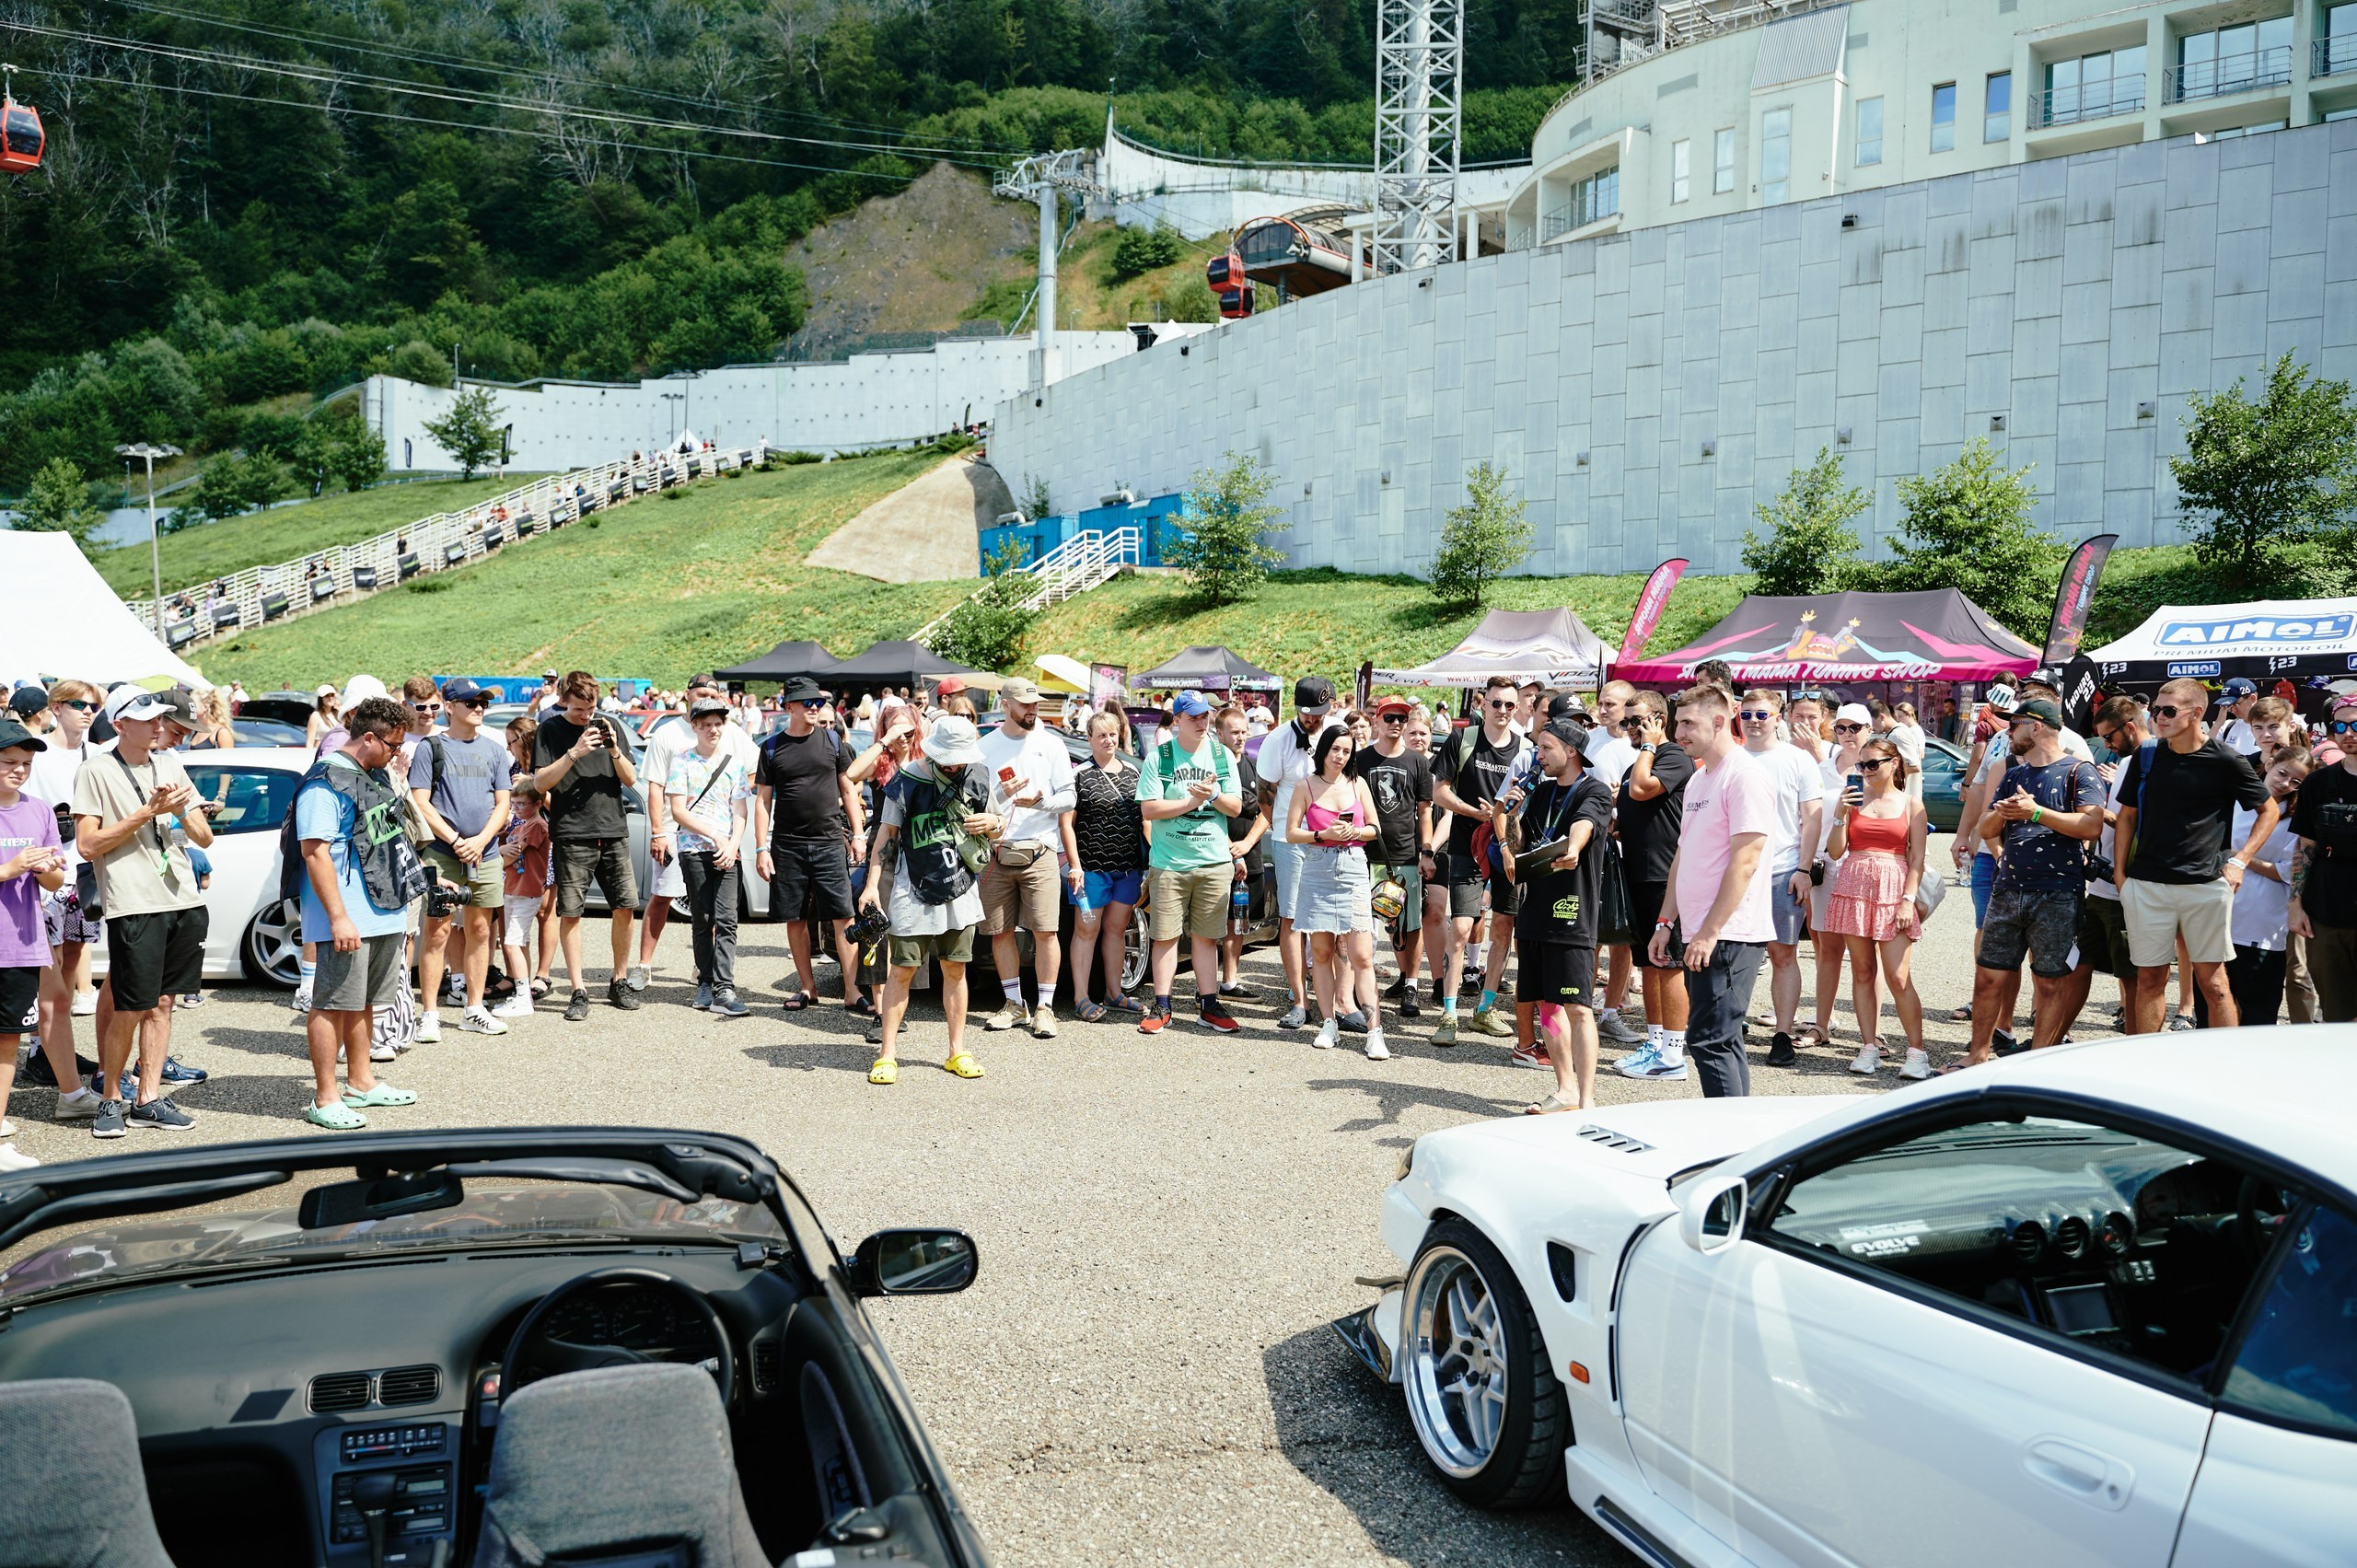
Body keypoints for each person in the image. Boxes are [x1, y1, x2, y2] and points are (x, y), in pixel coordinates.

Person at [72, 686, 215, 1136]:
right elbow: (87, 843)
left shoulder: (170, 764)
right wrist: (146, 811)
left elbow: (204, 837)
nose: (159, 725)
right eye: (148, 719)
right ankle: (111, 1098)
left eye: (160, 719)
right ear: (119, 725)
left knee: (165, 1003)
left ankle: (149, 1097)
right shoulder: (96, 770)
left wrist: (182, 813)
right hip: (133, 901)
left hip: (183, 898)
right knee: (132, 1006)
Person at [2114, 677, 2276, 1033]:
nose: (2158, 717)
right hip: (2148, 884)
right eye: (2156, 710)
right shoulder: (2147, 754)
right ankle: (2149, 1066)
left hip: (2205, 886)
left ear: (2197, 713)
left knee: (2215, 985)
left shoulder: (2225, 759)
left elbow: (2270, 811)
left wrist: (2239, 861)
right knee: (2150, 981)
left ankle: (2224, 1070)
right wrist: (2120, 875)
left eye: (2169, 711)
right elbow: (2127, 815)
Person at [1955, 698, 2111, 1064]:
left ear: (2037, 727)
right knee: (1988, 976)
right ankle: (1977, 1057)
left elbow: (2091, 824)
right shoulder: (2013, 774)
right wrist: (2003, 813)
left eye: (2015, 725)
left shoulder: (2080, 771)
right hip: (2008, 888)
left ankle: (2037, 1063)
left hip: (2058, 894)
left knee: (2050, 983)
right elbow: (1987, 827)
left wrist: (2037, 812)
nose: (2008, 732)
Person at [294, 695, 424, 1129]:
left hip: (382, 908)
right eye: (392, 744)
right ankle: (325, 1097)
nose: (397, 752)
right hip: (346, 915)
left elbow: (389, 836)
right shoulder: (324, 780)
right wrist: (337, 917)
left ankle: (362, 1082)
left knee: (365, 1001)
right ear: (368, 737)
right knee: (331, 1003)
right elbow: (315, 853)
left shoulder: (377, 774)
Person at [861, 715, 1004, 1084]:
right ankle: (887, 1054)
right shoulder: (907, 780)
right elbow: (886, 836)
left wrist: (992, 823)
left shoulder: (978, 775)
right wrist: (872, 885)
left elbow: (1000, 826)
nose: (955, 764)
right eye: (949, 757)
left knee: (956, 969)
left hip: (961, 888)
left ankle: (957, 1051)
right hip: (914, 889)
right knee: (902, 970)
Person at [1647, 684, 1773, 1098]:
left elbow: (1747, 859)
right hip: (1701, 929)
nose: (1678, 732)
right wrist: (1667, 921)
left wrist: (1709, 931)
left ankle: (1730, 1144)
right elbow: (1683, 856)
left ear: (1719, 722)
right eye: (1676, 722)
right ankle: (1737, 1134)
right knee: (1720, 1039)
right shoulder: (1701, 777)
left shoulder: (1746, 775)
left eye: (1687, 723)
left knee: (1710, 1040)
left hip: (1729, 933)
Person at [1512, 718, 1614, 1115]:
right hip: (1534, 909)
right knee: (1546, 1004)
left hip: (1571, 911)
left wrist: (1573, 847)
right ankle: (1565, 1087)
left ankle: (1587, 1099)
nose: (1539, 755)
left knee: (1578, 1007)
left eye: (1546, 747)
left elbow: (1585, 824)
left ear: (1570, 751)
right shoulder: (1541, 792)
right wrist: (1511, 817)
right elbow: (1521, 846)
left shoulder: (1594, 790)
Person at [529, 670, 641, 1020]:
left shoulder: (610, 725)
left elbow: (631, 779)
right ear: (564, 700)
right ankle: (578, 990)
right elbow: (540, 782)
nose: (586, 716)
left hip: (613, 828)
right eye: (579, 709)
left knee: (625, 906)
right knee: (571, 912)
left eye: (591, 708)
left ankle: (619, 979)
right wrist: (574, 753)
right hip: (572, 832)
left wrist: (613, 750)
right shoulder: (549, 729)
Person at [1820, 737, 1933, 1078]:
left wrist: (1908, 900)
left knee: (1898, 977)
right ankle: (1868, 1046)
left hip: (1893, 889)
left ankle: (1917, 1052)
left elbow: (1917, 859)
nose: (1866, 771)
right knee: (1863, 972)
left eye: (1873, 764)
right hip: (1853, 885)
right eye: (1862, 765)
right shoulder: (1852, 800)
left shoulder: (1912, 804)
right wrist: (1840, 813)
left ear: (1893, 763)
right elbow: (1836, 851)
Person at [408, 678, 512, 1040]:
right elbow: (421, 802)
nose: (479, 707)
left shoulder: (496, 749)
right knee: (437, 933)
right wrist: (456, 840)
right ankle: (430, 1014)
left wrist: (481, 841)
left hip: (486, 854)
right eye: (470, 702)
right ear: (449, 707)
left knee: (481, 931)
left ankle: (474, 1008)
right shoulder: (430, 748)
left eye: (482, 701)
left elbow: (503, 803)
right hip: (442, 853)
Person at [754, 676, 865, 1014]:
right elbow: (763, 801)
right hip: (787, 845)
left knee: (843, 916)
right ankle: (806, 988)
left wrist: (858, 835)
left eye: (819, 703)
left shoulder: (834, 742)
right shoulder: (771, 747)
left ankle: (852, 991)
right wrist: (761, 849)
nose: (816, 708)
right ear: (789, 707)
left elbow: (848, 791)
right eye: (809, 703)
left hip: (830, 841)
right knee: (796, 917)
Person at [633, 675, 749, 993]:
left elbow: (751, 772)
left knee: (719, 913)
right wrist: (658, 831)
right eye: (701, 693)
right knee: (664, 897)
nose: (705, 698)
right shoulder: (668, 734)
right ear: (687, 696)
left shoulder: (732, 734)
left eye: (713, 693)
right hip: (677, 832)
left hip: (722, 838)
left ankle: (707, 972)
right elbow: (655, 786)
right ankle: (644, 966)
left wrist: (728, 823)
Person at [1137, 691, 1245, 1036]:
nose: (1202, 722)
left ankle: (1208, 1004)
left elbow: (1236, 807)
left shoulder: (1222, 754)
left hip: (1213, 861)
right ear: (1178, 720)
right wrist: (1188, 802)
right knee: (1165, 936)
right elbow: (1149, 810)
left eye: (1206, 716)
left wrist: (1211, 795)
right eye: (1194, 717)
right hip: (1169, 862)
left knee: (1206, 937)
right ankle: (1162, 1004)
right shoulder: (1160, 757)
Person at [976, 677, 1077, 1039]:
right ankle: (1014, 1005)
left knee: (1046, 931)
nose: (1033, 709)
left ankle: (1045, 1008)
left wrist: (1041, 802)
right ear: (1005, 705)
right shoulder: (985, 747)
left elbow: (1069, 797)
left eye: (1035, 703)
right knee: (999, 933)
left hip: (1041, 851)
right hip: (997, 851)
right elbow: (974, 804)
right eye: (1024, 704)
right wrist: (1002, 795)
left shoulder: (1051, 745)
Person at [1431, 676, 1530, 1045]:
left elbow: (1530, 800)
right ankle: (1450, 1013)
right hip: (1465, 843)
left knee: (1503, 928)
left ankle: (1485, 1009)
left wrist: (1506, 815)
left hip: (1508, 848)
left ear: (1517, 707)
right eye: (1495, 703)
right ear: (1482, 704)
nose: (1502, 710)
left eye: (1509, 704)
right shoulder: (1463, 739)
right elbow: (1438, 792)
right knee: (1460, 929)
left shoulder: (1526, 748)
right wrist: (1473, 812)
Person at [1737, 690, 1825, 1069]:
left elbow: (1813, 818)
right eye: (1747, 714)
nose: (1754, 721)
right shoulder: (1729, 758)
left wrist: (1804, 869)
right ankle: (1731, 1023)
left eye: (1762, 714)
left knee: (1783, 954)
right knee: (1734, 954)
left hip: (1782, 871)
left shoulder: (1797, 760)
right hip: (1737, 872)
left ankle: (1782, 1034)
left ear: (1779, 717)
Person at [1287, 726, 1385, 1059]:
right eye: (1335, 750)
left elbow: (1375, 828)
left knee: (1362, 956)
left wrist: (1355, 831)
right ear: (1323, 751)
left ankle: (1375, 1032)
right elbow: (1290, 832)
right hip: (1317, 869)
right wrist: (1321, 834)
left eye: (1346, 751)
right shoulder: (1306, 786)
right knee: (1323, 952)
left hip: (1354, 867)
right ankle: (1329, 1022)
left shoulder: (1357, 784)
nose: (1341, 757)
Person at [27, 679, 101, 1113]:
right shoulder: (38, 751)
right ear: (56, 707)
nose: (88, 711)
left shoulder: (97, 753)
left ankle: (56, 1048)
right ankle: (40, 1049)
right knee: (50, 968)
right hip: (47, 869)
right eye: (79, 704)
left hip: (84, 871)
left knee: (73, 959)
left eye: (93, 705)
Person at [1612, 691, 1695, 1079]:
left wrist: (1649, 744)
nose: (1629, 728)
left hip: (1666, 877)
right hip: (1638, 875)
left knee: (1669, 963)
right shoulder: (1638, 762)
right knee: (1648, 964)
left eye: (1637, 721)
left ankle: (1674, 1054)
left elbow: (1643, 790)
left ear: (1659, 720)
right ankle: (1655, 1042)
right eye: (1626, 722)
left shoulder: (1672, 756)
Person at [2200, 746, 2311, 1028]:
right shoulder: (2235, 801)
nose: (2285, 783)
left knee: (2258, 1012)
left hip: (2262, 925)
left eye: (2296, 782)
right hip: (2217, 914)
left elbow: (2287, 871)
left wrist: (2240, 857)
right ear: (2270, 764)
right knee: (2211, 1003)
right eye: (2283, 773)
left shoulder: (2294, 818)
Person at [0, 717, 66, 1170]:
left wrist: (43, 868)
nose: (20, 770)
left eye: (26, 763)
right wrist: (10, 866)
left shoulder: (39, 811)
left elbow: (58, 879)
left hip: (21, 944)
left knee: (7, 1043)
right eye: (9, 762)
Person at [1255, 678, 1340, 1029]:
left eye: (1318, 713)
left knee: (1329, 917)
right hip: (1291, 840)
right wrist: (1280, 824)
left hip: (1329, 838)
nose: (1312, 719)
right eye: (1306, 713)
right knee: (1290, 917)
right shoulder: (1278, 740)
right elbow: (1264, 791)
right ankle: (1298, 1000)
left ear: (1330, 707)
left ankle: (1334, 1001)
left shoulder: (1336, 733)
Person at [2066, 695, 2152, 1038]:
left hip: (2126, 886)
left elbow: (2148, 824)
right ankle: (2050, 1040)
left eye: (2110, 737)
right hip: (2102, 885)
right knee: (2077, 966)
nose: (2106, 745)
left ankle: (2135, 1048)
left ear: (2129, 727)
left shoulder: (2150, 761)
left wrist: (2101, 817)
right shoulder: (2128, 764)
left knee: (2131, 976)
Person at [668, 697, 754, 1017]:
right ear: (695, 727)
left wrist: (732, 843)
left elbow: (740, 810)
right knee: (703, 919)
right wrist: (714, 835)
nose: (713, 730)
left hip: (727, 851)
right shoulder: (682, 761)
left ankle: (724, 987)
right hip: (694, 849)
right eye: (706, 725)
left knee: (728, 920)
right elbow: (678, 810)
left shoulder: (733, 763)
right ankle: (705, 981)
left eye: (718, 724)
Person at [1800, 703, 1877, 1053]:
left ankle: (1872, 1035)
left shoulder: (1881, 766)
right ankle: (1821, 1024)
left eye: (1855, 728)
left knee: (1867, 955)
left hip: (1866, 867)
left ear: (1869, 728)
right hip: (1827, 864)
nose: (1847, 735)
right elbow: (1809, 820)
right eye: (1842, 728)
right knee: (1827, 950)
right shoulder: (1820, 768)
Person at [1353, 696, 1434, 1019]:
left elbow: (1424, 812)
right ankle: (1360, 987)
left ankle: (1411, 983)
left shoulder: (1418, 762)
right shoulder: (1360, 759)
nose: (1396, 724)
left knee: (1407, 924)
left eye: (1401, 718)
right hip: (1362, 853)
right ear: (1376, 720)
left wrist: (1426, 851)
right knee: (1360, 924)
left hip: (1403, 853)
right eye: (1389, 718)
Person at [1069, 710, 1147, 1021]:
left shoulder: (1132, 772)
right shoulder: (1079, 775)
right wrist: (1075, 864)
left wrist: (1151, 862)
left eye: (1113, 734)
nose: (1108, 740)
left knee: (1117, 930)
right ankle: (1080, 997)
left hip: (1127, 868)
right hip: (1091, 868)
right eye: (1101, 735)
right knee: (1086, 930)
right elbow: (1067, 823)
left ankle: (1114, 993)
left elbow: (1146, 820)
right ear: (1089, 739)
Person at [2287, 692, 2357, 1022]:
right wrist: (2295, 904)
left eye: (2356, 724)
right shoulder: (2318, 782)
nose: (2348, 732)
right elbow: (2305, 846)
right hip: (2325, 913)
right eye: (2340, 725)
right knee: (2337, 1015)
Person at [1214, 703, 1268, 1000]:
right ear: (1219, 732)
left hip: (1250, 856)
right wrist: (1230, 852)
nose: (1241, 737)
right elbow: (1208, 813)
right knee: (1211, 923)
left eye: (1244, 731)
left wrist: (1246, 846)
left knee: (1239, 921)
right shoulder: (1212, 766)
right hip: (1218, 855)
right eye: (1234, 732)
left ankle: (1230, 982)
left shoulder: (1253, 766)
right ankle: (1207, 985)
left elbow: (1266, 811)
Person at [498, 782, 552, 1016]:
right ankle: (523, 992)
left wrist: (498, 853)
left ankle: (522, 999)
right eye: (513, 804)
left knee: (511, 943)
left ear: (538, 804)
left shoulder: (537, 826)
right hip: (513, 889)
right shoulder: (521, 826)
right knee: (520, 943)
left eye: (522, 804)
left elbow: (512, 855)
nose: (516, 808)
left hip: (526, 892)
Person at [2214, 678, 2260, 757]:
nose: (2232, 710)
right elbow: (2204, 752)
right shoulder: (2227, 727)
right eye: (2228, 705)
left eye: (2236, 704)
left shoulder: (2271, 728)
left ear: (2253, 698)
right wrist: (2217, 724)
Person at [1887, 702, 1925, 796]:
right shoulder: (1905, 730)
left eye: (1900, 716)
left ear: (1909, 715)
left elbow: (1921, 754)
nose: (1898, 720)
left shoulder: (1915, 730)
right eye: (1897, 717)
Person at [307, 684, 340, 749]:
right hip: (321, 753)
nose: (330, 698)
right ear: (321, 699)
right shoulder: (316, 716)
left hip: (336, 754)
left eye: (332, 695)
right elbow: (310, 741)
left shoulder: (338, 715)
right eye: (327, 696)